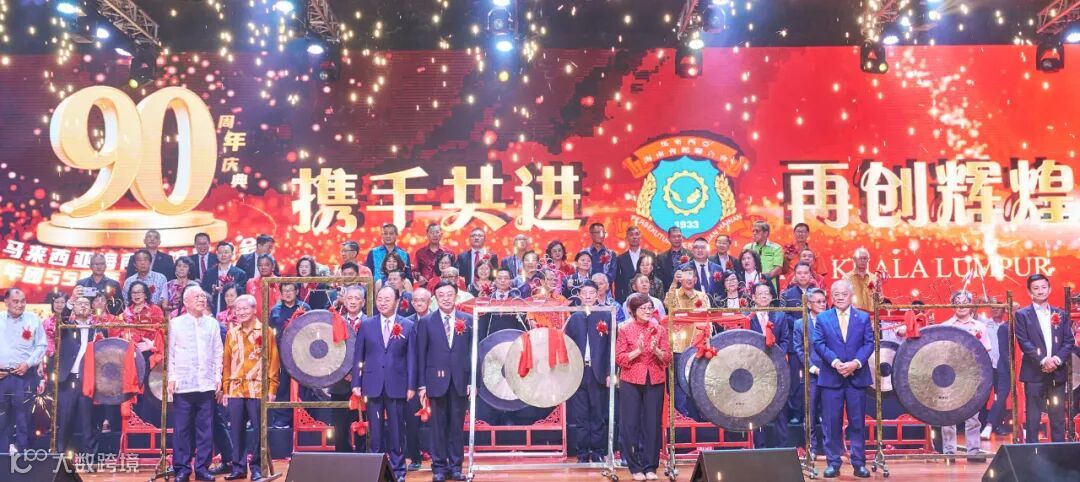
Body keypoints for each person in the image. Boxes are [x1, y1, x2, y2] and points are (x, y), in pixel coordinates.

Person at [353, 286, 416, 482]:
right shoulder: (367, 325)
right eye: (379, 299)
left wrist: (411, 385)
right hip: (372, 383)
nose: (382, 303)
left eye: (387, 299)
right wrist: (356, 382)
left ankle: (398, 471)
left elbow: (412, 358)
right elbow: (358, 355)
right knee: (375, 432)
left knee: (397, 430)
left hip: (397, 383)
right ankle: (377, 471)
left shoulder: (408, 325)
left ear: (397, 301)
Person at [812, 279, 873, 479]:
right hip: (832, 377)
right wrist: (836, 362)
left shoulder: (863, 317)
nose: (839, 297)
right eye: (836, 294)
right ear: (831, 296)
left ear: (851, 295)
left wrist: (855, 363)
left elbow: (869, 343)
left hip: (857, 377)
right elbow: (819, 343)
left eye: (843, 294)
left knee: (857, 423)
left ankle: (859, 463)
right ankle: (833, 462)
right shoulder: (823, 318)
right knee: (831, 423)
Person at [416, 281, 473, 482]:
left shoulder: (467, 320)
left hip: (460, 381)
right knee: (437, 427)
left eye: (450, 295)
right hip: (435, 381)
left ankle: (456, 467)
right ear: (435, 299)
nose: (446, 299)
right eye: (441, 295)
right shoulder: (426, 322)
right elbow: (421, 355)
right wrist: (422, 385)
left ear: (456, 296)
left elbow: (472, 353)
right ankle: (439, 468)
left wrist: (472, 381)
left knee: (456, 426)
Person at [168, 286, 224, 482]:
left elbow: (218, 352)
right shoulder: (175, 324)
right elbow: (170, 353)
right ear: (186, 302)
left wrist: (218, 377)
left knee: (205, 430)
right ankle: (182, 469)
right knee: (182, 429)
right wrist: (171, 376)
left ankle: (202, 468)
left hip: (206, 384)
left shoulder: (212, 324)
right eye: (197, 296)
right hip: (183, 384)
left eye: (203, 296)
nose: (202, 299)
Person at [221, 294, 278, 481]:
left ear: (254, 310)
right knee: (236, 430)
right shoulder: (231, 333)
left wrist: (272, 388)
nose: (241, 312)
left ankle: (256, 468)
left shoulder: (265, 331)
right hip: (236, 388)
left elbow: (273, 361)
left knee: (259, 430)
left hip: (258, 387)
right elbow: (226, 363)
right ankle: (238, 467)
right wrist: (225, 389)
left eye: (245, 308)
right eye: (238, 309)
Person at [616, 293, 670, 482]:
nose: (648, 311)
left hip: (654, 380)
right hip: (631, 380)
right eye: (643, 308)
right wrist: (638, 351)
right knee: (630, 424)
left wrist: (656, 351)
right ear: (633, 311)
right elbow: (620, 358)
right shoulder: (625, 329)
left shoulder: (660, 330)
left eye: (650, 308)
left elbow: (667, 358)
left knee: (652, 424)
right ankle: (635, 466)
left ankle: (650, 466)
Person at [1014, 274, 1074, 443]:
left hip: (1057, 371)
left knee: (1058, 415)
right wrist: (1043, 360)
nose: (1040, 291)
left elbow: (1068, 341)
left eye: (1043, 287)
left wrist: (1056, 360)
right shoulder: (1022, 315)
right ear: (1029, 292)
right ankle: (1032, 452)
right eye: (1036, 288)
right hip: (1034, 372)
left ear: (1049, 289)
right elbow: (1024, 342)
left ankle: (1059, 452)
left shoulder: (1060, 314)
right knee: (1033, 417)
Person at [938, 290, 989, 460]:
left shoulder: (980, 327)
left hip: (972, 375)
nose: (961, 306)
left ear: (971, 304)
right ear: (953, 305)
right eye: (957, 302)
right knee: (948, 414)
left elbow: (985, 353)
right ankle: (949, 452)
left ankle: (973, 451)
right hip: (949, 375)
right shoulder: (946, 326)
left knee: (973, 416)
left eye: (965, 302)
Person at [565, 281, 612, 463]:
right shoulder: (574, 317)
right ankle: (582, 453)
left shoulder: (606, 315)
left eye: (592, 293)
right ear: (579, 295)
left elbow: (610, 347)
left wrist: (609, 372)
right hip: (579, 371)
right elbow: (567, 345)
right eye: (585, 293)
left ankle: (598, 451)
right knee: (581, 415)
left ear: (597, 294)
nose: (588, 296)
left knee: (598, 414)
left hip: (598, 372)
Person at [55, 296, 102, 461]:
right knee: (64, 420)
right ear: (73, 308)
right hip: (68, 380)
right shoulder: (65, 326)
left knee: (88, 422)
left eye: (86, 304)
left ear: (91, 309)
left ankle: (91, 459)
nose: (83, 306)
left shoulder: (97, 329)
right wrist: (69, 303)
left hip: (88, 381)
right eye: (79, 303)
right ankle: (60, 457)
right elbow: (60, 317)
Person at [0, 289, 46, 453]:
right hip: (2, 378)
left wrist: (28, 363)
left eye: (23, 301)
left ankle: (23, 457)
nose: (20, 305)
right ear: (6, 302)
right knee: (2, 419)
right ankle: (2, 458)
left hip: (24, 377)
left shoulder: (33, 319)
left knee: (23, 419)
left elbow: (41, 346)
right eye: (16, 301)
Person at [747, 282, 790, 448]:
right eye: (760, 294)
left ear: (772, 297)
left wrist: (777, 357)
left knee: (779, 406)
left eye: (767, 293)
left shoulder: (780, 316)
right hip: (755, 368)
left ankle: (783, 446)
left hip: (776, 367)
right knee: (757, 407)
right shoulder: (747, 316)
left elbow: (785, 340)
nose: (764, 296)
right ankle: (760, 446)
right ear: (753, 297)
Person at [267, 283, 311, 428]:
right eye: (284, 290)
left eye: (290, 290)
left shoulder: (305, 308)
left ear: (297, 291)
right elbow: (270, 332)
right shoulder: (275, 310)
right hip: (282, 353)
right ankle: (283, 418)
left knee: (304, 385)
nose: (287, 293)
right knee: (283, 385)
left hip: (302, 353)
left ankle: (304, 415)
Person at [791, 288, 828, 457]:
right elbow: (799, 349)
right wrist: (812, 367)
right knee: (810, 413)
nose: (822, 304)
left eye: (824, 301)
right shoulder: (800, 324)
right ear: (809, 304)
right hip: (811, 373)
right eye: (818, 302)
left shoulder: (831, 320)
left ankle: (830, 448)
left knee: (829, 413)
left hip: (830, 372)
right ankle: (811, 447)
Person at [781, 262, 817, 424]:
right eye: (799, 273)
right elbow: (783, 316)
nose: (803, 276)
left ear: (811, 275)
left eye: (806, 273)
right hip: (794, 344)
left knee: (815, 379)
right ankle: (796, 413)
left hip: (815, 344)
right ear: (795, 275)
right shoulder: (787, 295)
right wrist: (800, 322)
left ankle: (816, 413)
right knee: (796, 380)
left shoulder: (817, 294)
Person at [404, 287, 433, 471]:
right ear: (412, 302)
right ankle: (414, 457)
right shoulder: (406, 323)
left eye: (423, 300)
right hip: (412, 380)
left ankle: (438, 457)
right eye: (416, 300)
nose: (419, 303)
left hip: (435, 377)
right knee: (411, 420)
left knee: (437, 420)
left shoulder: (437, 320)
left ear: (429, 302)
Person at [982, 297, 1012, 438]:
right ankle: (983, 424)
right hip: (987, 365)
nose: (995, 310)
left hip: (1002, 365)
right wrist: (980, 300)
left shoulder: (1007, 326)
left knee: (1001, 396)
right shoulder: (984, 324)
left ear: (1004, 310)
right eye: (993, 308)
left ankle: (997, 425)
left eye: (998, 308)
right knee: (984, 396)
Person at [202, 242, 248, 316]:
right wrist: (213, 292)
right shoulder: (208, 273)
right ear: (217, 254)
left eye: (226, 252)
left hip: (232, 315)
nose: (223, 255)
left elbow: (241, 296)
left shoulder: (240, 274)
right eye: (220, 252)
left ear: (232, 254)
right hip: (211, 314)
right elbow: (204, 294)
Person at [743, 221, 783, 291]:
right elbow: (742, 266)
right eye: (753, 231)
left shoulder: (776, 248)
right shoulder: (747, 248)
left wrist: (764, 278)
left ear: (765, 233)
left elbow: (778, 269)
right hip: (750, 285)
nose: (754, 233)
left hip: (770, 286)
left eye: (757, 231)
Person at [843, 248, 880, 313]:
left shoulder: (874, 278)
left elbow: (879, 299)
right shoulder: (847, 278)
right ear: (854, 259)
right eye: (860, 258)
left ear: (868, 260)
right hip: (854, 314)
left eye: (865, 258)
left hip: (871, 315)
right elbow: (844, 298)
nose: (862, 260)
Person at [414, 223, 450, 290]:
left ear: (441, 234)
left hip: (444, 288)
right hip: (425, 288)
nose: (435, 235)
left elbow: (453, 270)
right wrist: (419, 277)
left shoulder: (448, 252)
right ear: (427, 235)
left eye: (437, 232)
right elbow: (415, 270)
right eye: (432, 232)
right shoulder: (420, 253)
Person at [656, 226, 690, 293]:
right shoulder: (661, 258)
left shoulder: (690, 255)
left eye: (679, 236)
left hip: (687, 293)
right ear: (669, 238)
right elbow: (659, 279)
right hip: (668, 293)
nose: (677, 239)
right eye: (674, 237)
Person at [245, 254, 280, 320]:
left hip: (273, 321)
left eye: (267, 265)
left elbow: (279, 304)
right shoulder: (250, 282)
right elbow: (248, 304)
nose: (263, 267)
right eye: (260, 265)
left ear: (273, 266)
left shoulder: (279, 282)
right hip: (255, 321)